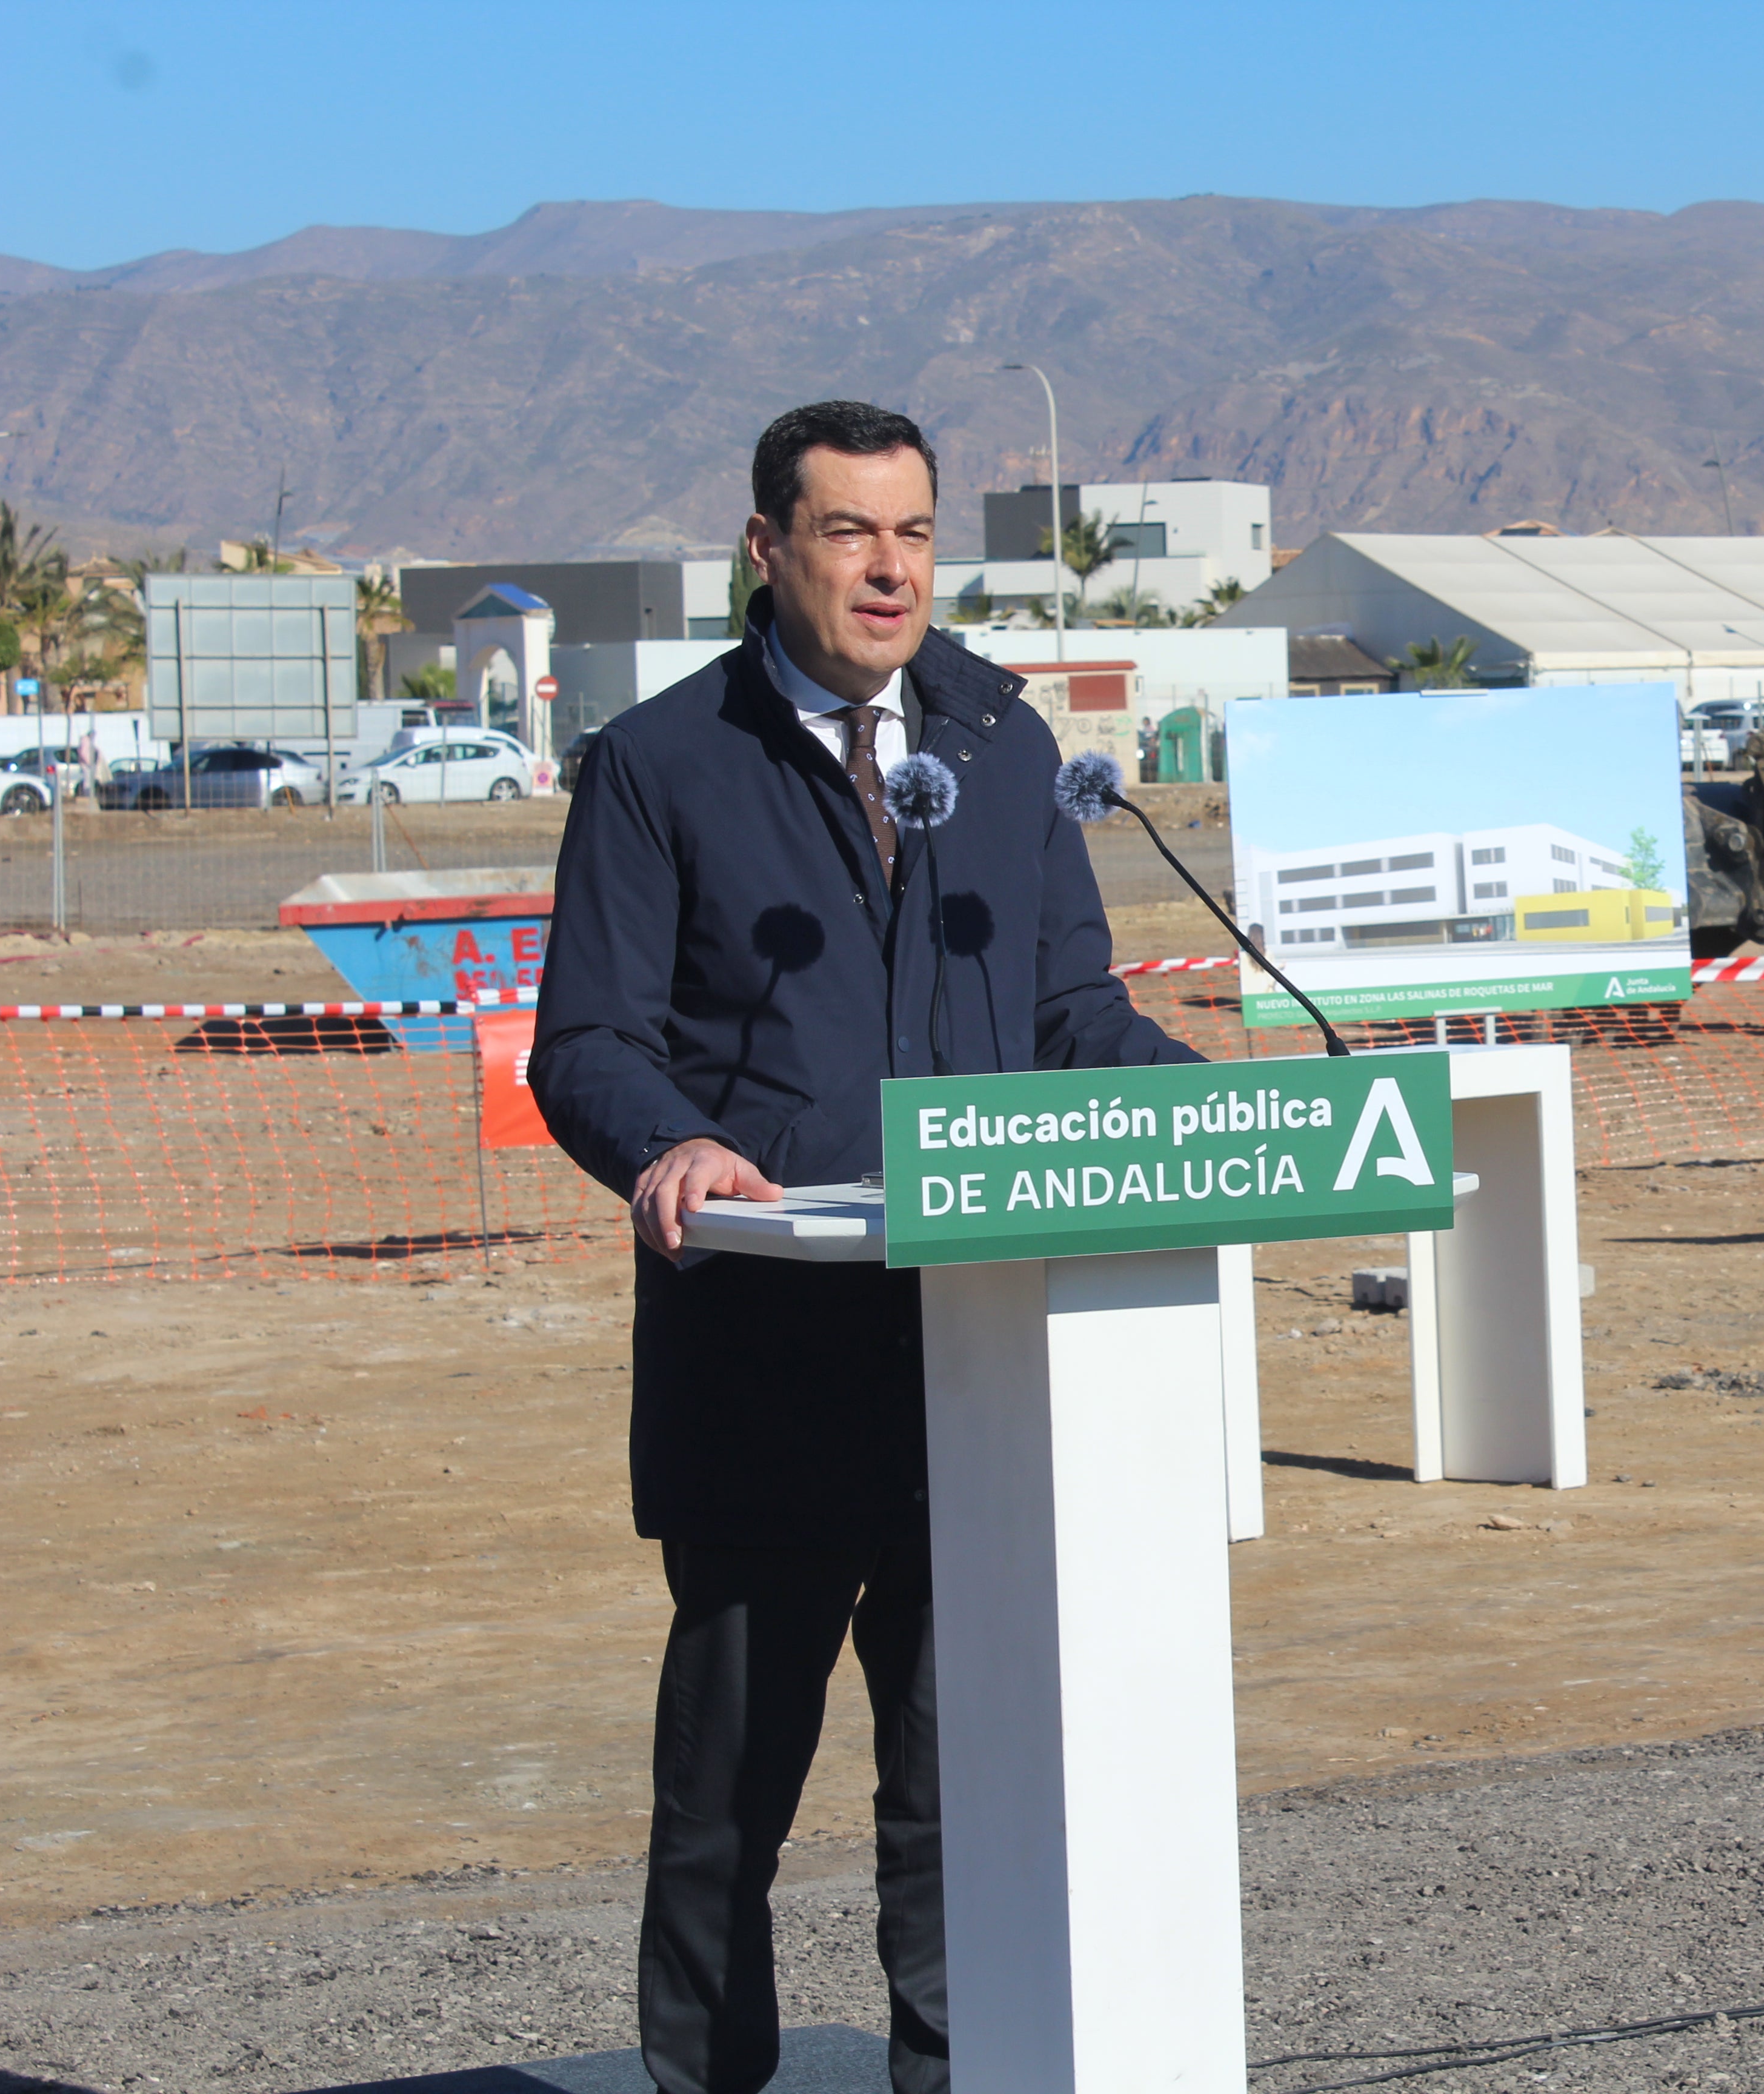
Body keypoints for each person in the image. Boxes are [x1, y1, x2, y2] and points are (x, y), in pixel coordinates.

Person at [530, 400, 1200, 2094]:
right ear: (769, 551)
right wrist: (670, 1142)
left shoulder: (1000, 738)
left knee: (961, 1796)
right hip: (768, 1356)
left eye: (912, 533)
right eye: (848, 531)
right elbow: (588, 1040)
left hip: (984, 1359)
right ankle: (706, 2080)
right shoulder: (662, 763)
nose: (890, 567)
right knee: (725, 1804)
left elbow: (1066, 1011)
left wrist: (1211, 1114)